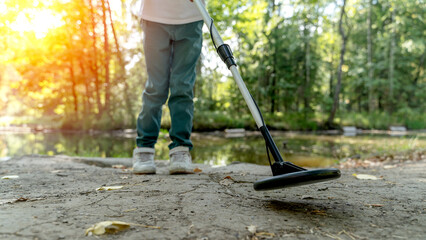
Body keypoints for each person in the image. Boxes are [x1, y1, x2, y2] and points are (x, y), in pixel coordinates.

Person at [133, 0, 203, 174]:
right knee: (156, 87)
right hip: (154, 15)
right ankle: (145, 150)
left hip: (191, 17)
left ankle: (180, 149)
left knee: (183, 87)